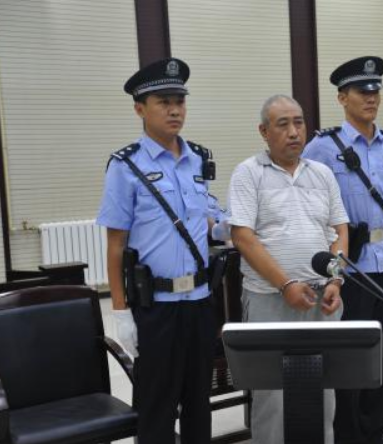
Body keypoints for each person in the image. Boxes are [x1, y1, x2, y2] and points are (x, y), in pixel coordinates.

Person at [97, 58, 228, 444]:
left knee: (199, 401)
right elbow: (115, 244)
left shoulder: (198, 159)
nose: (175, 110)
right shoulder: (125, 166)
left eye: (180, 101)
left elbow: (205, 218)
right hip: (156, 307)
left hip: (200, 301)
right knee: (157, 405)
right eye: (164, 102)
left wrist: (225, 227)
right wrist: (120, 311)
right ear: (140, 108)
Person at [303, 56, 383, 444]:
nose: (371, 98)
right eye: (362, 91)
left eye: (375, 91)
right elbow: (309, 210)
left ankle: (376, 432)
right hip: (350, 270)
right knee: (350, 360)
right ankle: (349, 436)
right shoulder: (321, 148)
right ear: (342, 97)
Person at [227, 94, 349, 443]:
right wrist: (285, 284)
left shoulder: (322, 173)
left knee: (324, 390)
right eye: (283, 124)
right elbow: (243, 237)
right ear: (264, 131)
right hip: (269, 298)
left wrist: (336, 280)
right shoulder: (249, 173)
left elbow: (340, 230)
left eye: (299, 122)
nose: (294, 132)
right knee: (273, 397)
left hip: (322, 298)